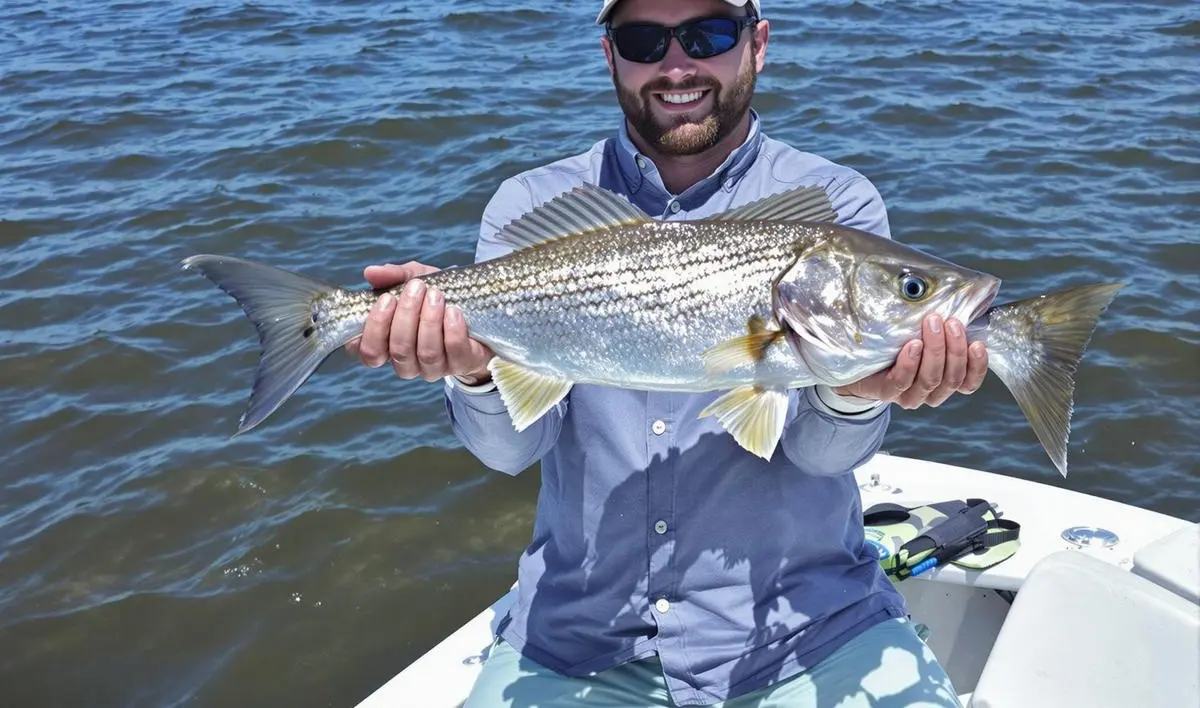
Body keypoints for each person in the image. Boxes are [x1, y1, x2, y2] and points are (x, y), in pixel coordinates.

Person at [348, 0, 987, 705]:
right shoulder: (530, 205)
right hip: (579, 641)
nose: (677, 65)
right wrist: (471, 371)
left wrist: (855, 391)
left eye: (708, 34)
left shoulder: (833, 206)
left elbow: (821, 456)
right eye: (644, 39)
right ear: (609, 55)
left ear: (758, 44)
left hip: (807, 630)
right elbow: (511, 453)